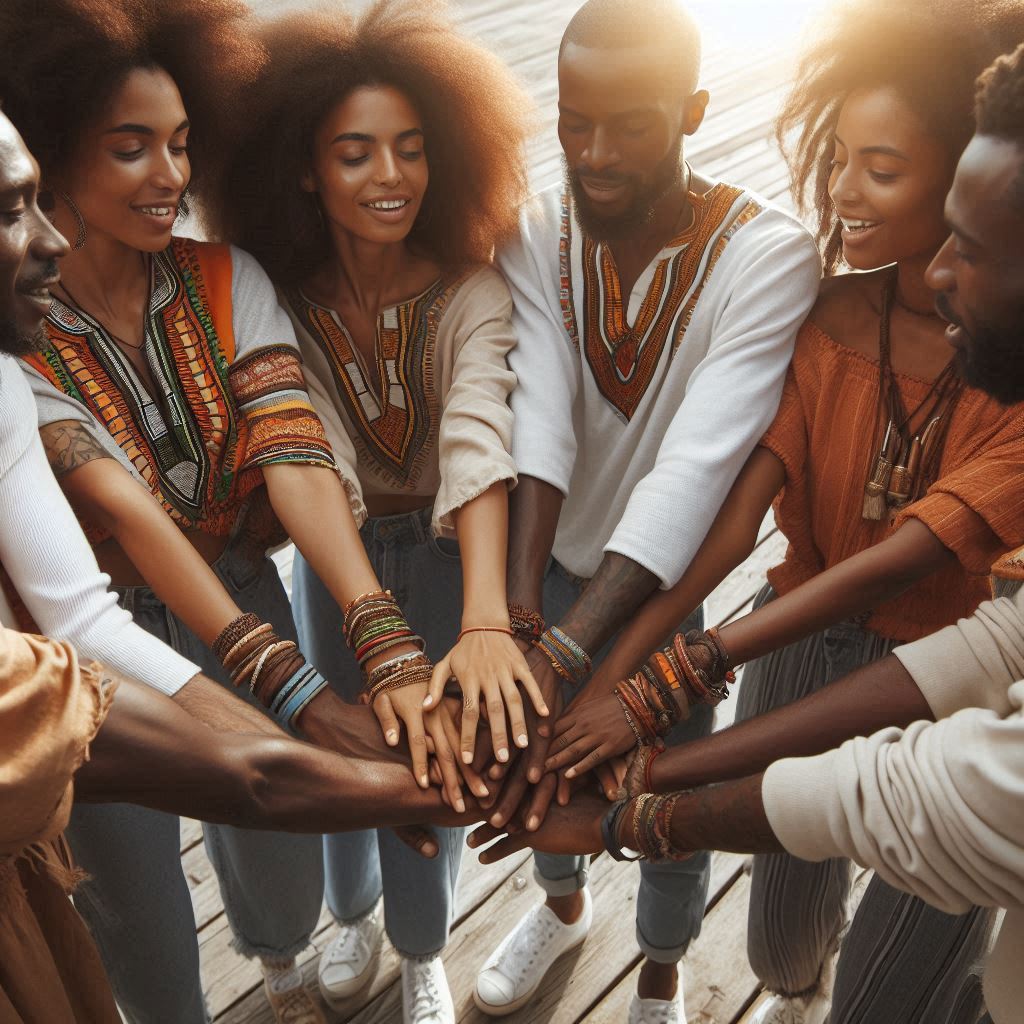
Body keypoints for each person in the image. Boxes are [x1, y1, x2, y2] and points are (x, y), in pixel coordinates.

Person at [472, 48, 1024, 1024]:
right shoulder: (830, 312)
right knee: (778, 942)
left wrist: (659, 692)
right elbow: (735, 513)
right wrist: (626, 671)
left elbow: (908, 564)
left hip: (944, 671)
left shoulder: (1000, 372)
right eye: (838, 157)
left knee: (890, 995)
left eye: (881, 168)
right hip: (795, 635)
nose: (840, 191)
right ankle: (795, 987)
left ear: (955, 184)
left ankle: (734, 980)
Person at [0, 1, 468, 1021]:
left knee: (282, 864)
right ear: (52, 155)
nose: (170, 174)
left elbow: (292, 452)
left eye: (180, 144)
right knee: (138, 917)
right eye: (131, 147)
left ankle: (282, 977)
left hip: (242, 592)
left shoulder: (226, 277)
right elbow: (124, 510)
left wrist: (382, 642)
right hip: (93, 643)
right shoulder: (18, 331)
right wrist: (306, 700)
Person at [472, 0, 821, 1019]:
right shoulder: (535, 226)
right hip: (549, 574)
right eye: (574, 121)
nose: (594, 153)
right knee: (536, 764)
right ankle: (562, 909)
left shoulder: (769, 255)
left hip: (665, 587)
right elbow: (538, 416)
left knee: (663, 790)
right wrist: (527, 621)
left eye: (629, 125)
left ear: (695, 112)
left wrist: (571, 649)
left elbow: (693, 468)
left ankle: (660, 975)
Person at [211, 4, 536, 1019]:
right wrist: (368, 614)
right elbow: (313, 453)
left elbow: (479, 439)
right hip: (333, 554)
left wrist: (484, 616)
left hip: (449, 551)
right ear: (307, 170)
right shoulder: (278, 299)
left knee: (438, 755)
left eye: (411, 147)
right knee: (342, 738)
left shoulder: (473, 291)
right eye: (355, 154)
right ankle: (352, 915)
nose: (390, 176)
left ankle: (424, 949)